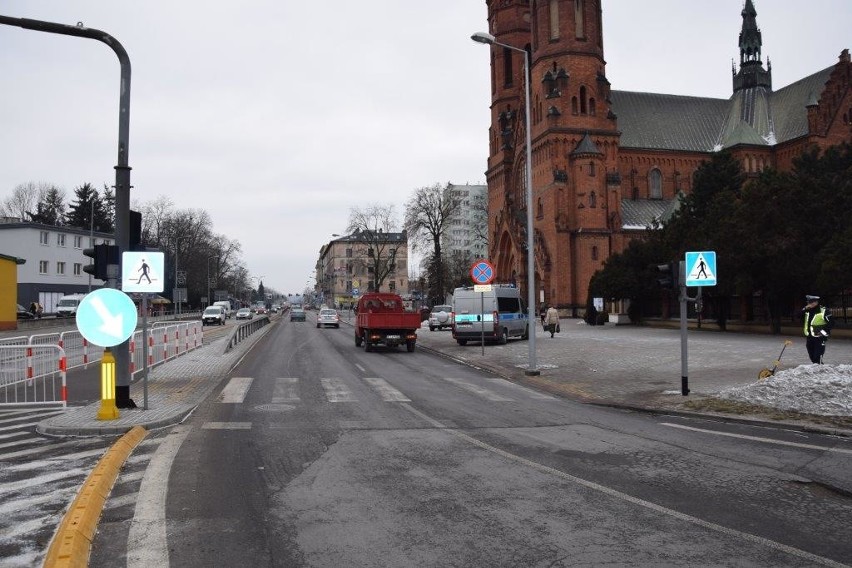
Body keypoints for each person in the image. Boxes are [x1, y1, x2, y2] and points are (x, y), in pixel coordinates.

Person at [803, 295, 833, 364]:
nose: (810, 304)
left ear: (816, 302)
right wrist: (804, 308)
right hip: (809, 337)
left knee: (817, 357)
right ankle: (817, 369)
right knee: (812, 356)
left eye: (812, 302)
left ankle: (820, 370)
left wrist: (822, 332)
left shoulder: (824, 310)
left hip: (820, 337)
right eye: (809, 302)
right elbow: (798, 315)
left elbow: (831, 323)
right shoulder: (807, 310)